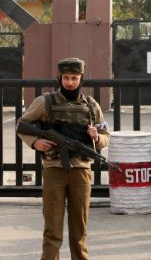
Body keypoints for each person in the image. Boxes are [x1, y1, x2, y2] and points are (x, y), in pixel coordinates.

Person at [16, 57, 109, 259]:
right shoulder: (44, 102)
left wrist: (97, 137)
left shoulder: (91, 105)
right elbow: (22, 125)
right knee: (52, 229)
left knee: (79, 230)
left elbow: (105, 138)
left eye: (74, 78)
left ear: (81, 78)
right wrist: (35, 142)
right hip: (54, 170)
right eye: (66, 77)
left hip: (81, 171)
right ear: (59, 78)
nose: (70, 82)